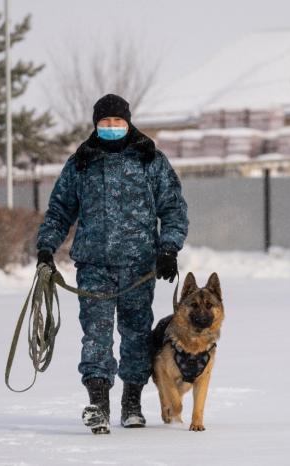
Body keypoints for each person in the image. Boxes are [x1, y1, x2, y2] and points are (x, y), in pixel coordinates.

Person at [35, 93, 189, 434]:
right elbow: (60, 211)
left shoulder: (150, 159)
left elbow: (174, 208)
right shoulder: (81, 162)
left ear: (128, 122)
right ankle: (98, 404)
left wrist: (169, 249)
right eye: (105, 123)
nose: (111, 127)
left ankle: (131, 402)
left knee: (136, 335)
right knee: (96, 335)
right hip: (94, 265)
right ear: (96, 125)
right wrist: (46, 248)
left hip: (139, 266)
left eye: (117, 122)